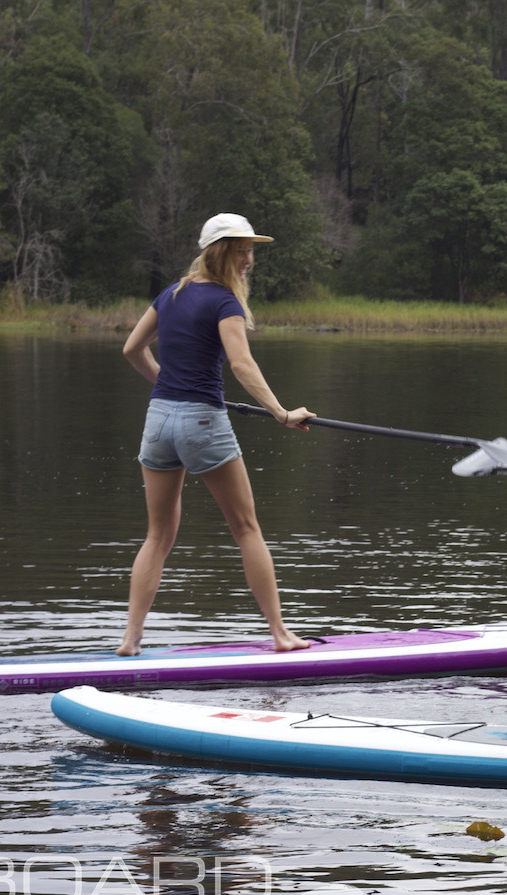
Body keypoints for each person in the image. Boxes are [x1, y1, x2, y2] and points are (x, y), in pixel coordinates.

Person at [116, 212, 313, 656]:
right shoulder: (226, 302)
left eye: (250, 251)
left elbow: (132, 349)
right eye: (242, 250)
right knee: (246, 528)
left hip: (159, 419)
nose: (249, 260)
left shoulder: (170, 295)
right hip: (202, 420)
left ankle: (130, 639)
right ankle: (281, 635)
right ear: (220, 251)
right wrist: (281, 413)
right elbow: (241, 364)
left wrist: (169, 384)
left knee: (157, 536)